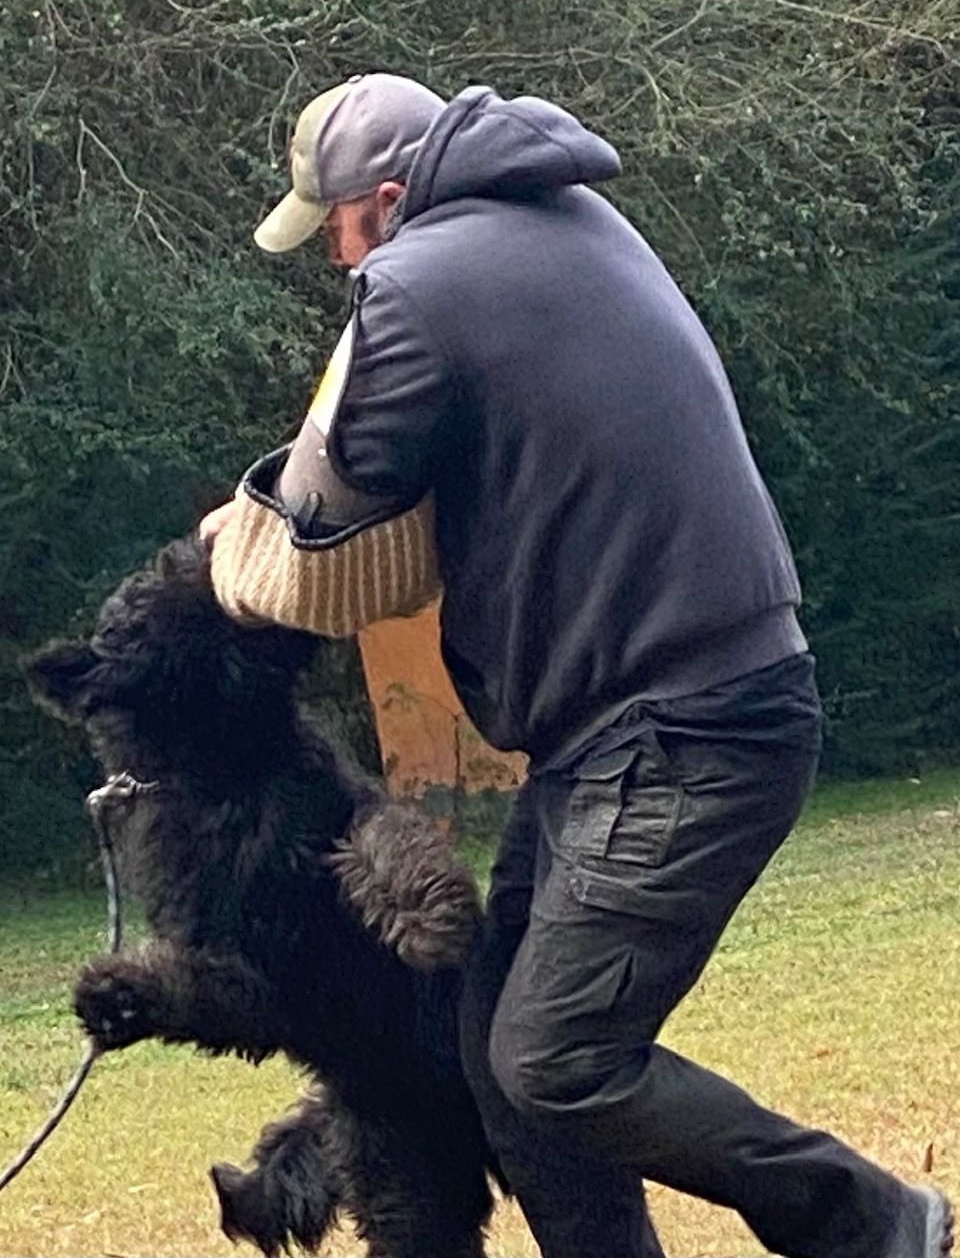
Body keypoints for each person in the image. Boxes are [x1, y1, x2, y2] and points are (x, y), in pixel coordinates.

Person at [202, 72, 954, 1258]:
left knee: (556, 1058)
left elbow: (321, 518)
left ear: (388, 202)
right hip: (656, 715)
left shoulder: (413, 284)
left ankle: (867, 1218)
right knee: (503, 1055)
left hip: (676, 733)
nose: (334, 263)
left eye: (337, 232)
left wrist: (221, 554)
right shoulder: (576, 217)